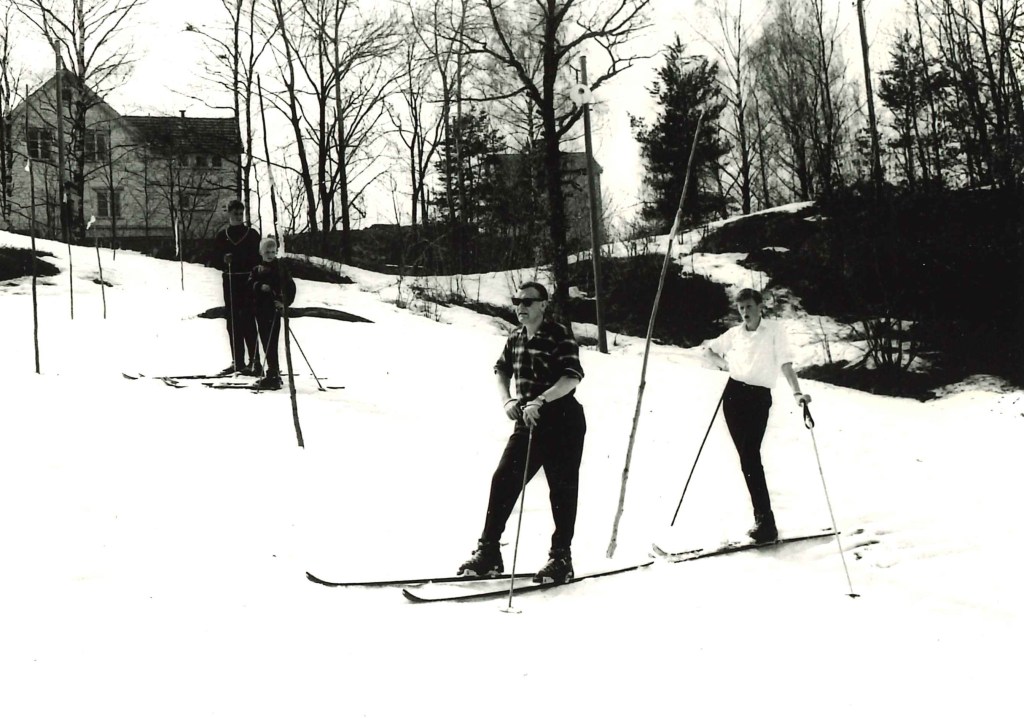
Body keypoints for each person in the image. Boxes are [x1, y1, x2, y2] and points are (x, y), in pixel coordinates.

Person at [457, 282, 587, 585]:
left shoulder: (559, 335)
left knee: (561, 490)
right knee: (504, 480)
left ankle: (561, 558)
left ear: (543, 304)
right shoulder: (515, 337)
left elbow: (572, 377)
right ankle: (489, 552)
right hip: (528, 422)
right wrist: (507, 400)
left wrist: (541, 400)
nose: (521, 307)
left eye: (528, 301)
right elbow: (501, 369)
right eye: (517, 301)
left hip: (562, 421)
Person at [703, 288, 810, 544]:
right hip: (733, 395)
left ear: (760, 306)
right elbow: (708, 351)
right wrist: (726, 366)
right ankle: (764, 522)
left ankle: (766, 523)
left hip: (758, 398)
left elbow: (785, 364)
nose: (745, 312)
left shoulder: (774, 331)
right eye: (741, 308)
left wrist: (797, 392)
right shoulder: (735, 333)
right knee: (747, 459)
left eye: (749, 306)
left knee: (750, 457)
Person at [210, 199, 262, 376]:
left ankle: (255, 361)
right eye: (235, 213)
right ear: (229, 214)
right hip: (230, 281)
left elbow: (258, 258)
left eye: (241, 213)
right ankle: (237, 361)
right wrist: (223, 259)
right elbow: (214, 260)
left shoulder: (252, 234)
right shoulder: (222, 236)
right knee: (232, 321)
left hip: (247, 282)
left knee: (248, 320)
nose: (239, 217)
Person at [248, 238, 296, 391]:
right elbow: (249, 285)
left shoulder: (280, 269)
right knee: (265, 341)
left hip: (273, 311)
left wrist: (283, 303)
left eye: (272, 252)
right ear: (261, 252)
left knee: (271, 342)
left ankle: (273, 374)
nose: (270, 255)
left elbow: (290, 287)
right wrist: (259, 286)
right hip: (260, 310)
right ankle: (273, 371)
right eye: (266, 252)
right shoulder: (256, 269)